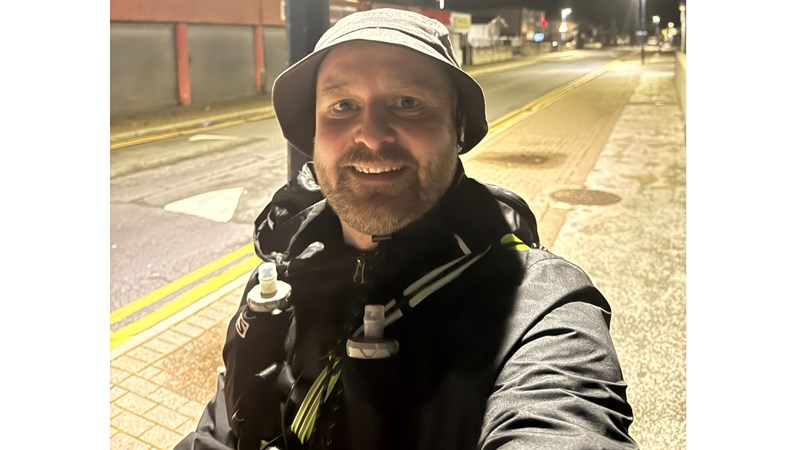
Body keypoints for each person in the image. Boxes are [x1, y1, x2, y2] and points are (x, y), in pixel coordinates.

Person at [175, 8, 637, 450]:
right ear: (313, 134)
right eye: (343, 105)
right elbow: (226, 426)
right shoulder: (285, 275)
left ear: (457, 128)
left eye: (408, 103)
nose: (371, 134)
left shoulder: (537, 307)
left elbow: (563, 417)